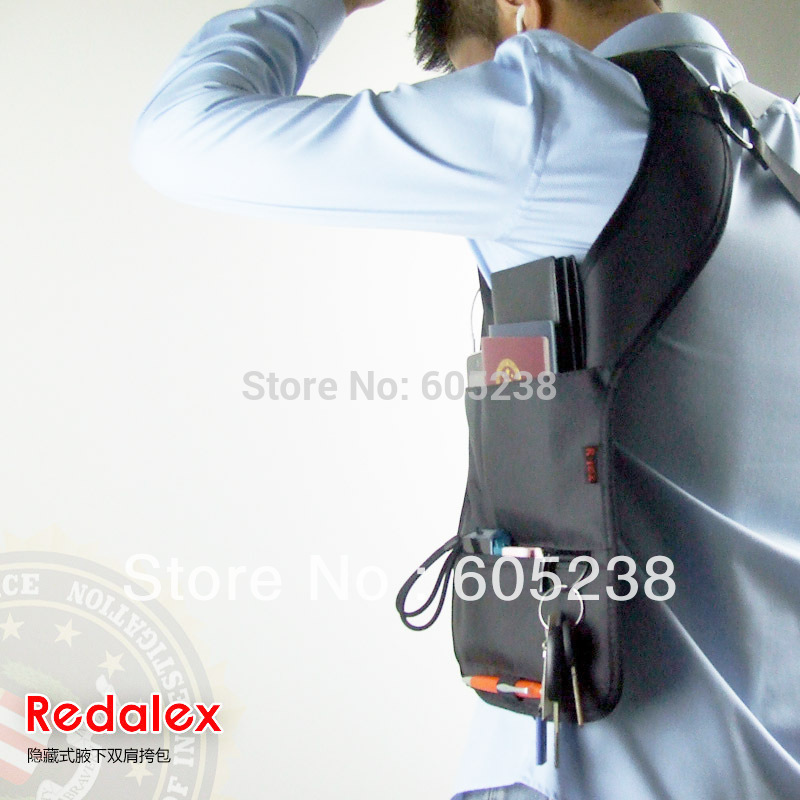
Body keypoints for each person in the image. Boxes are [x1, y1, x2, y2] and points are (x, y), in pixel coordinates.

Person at [130, 1, 800, 799]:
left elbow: (183, 134)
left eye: (472, 75)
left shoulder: (557, 112)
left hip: (606, 768)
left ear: (526, 15)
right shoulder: (783, 139)